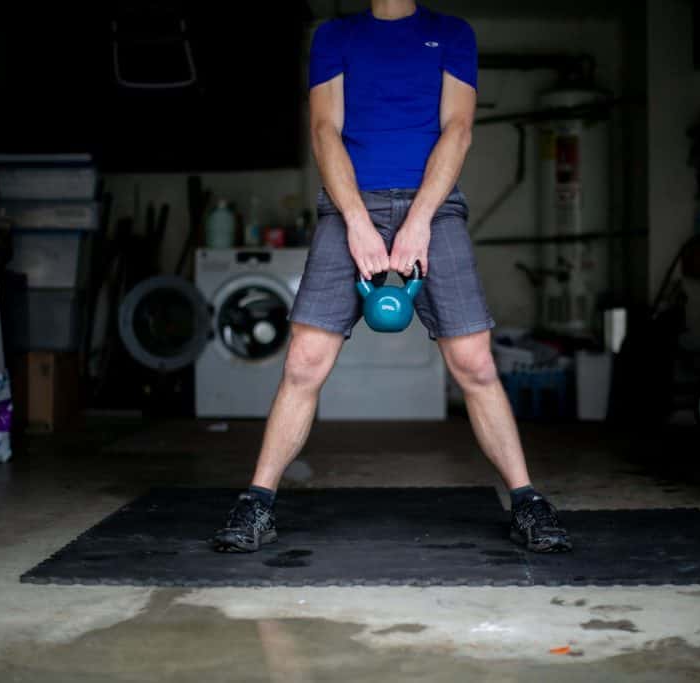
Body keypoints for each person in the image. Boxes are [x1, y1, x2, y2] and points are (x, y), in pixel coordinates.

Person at [211, 0, 571, 554]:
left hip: (435, 206)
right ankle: (256, 502)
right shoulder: (334, 35)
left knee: (475, 362)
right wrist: (355, 222)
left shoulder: (451, 33)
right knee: (304, 362)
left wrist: (420, 221)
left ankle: (527, 500)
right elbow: (325, 131)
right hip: (348, 205)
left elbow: (458, 130)